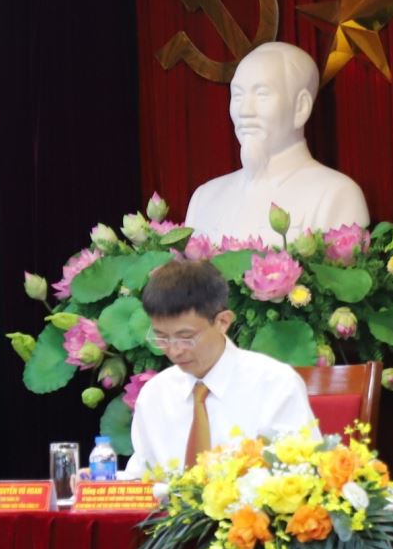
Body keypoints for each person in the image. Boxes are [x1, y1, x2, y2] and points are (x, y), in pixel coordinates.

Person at [125, 259, 316, 477]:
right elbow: (139, 478)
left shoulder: (275, 384)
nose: (174, 351)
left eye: (185, 337)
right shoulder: (155, 394)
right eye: (162, 338)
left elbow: (304, 475)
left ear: (223, 322)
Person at [185, 41, 369, 241]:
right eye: (237, 95)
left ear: (301, 107)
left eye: (262, 94)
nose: (245, 111)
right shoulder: (204, 199)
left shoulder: (336, 195)